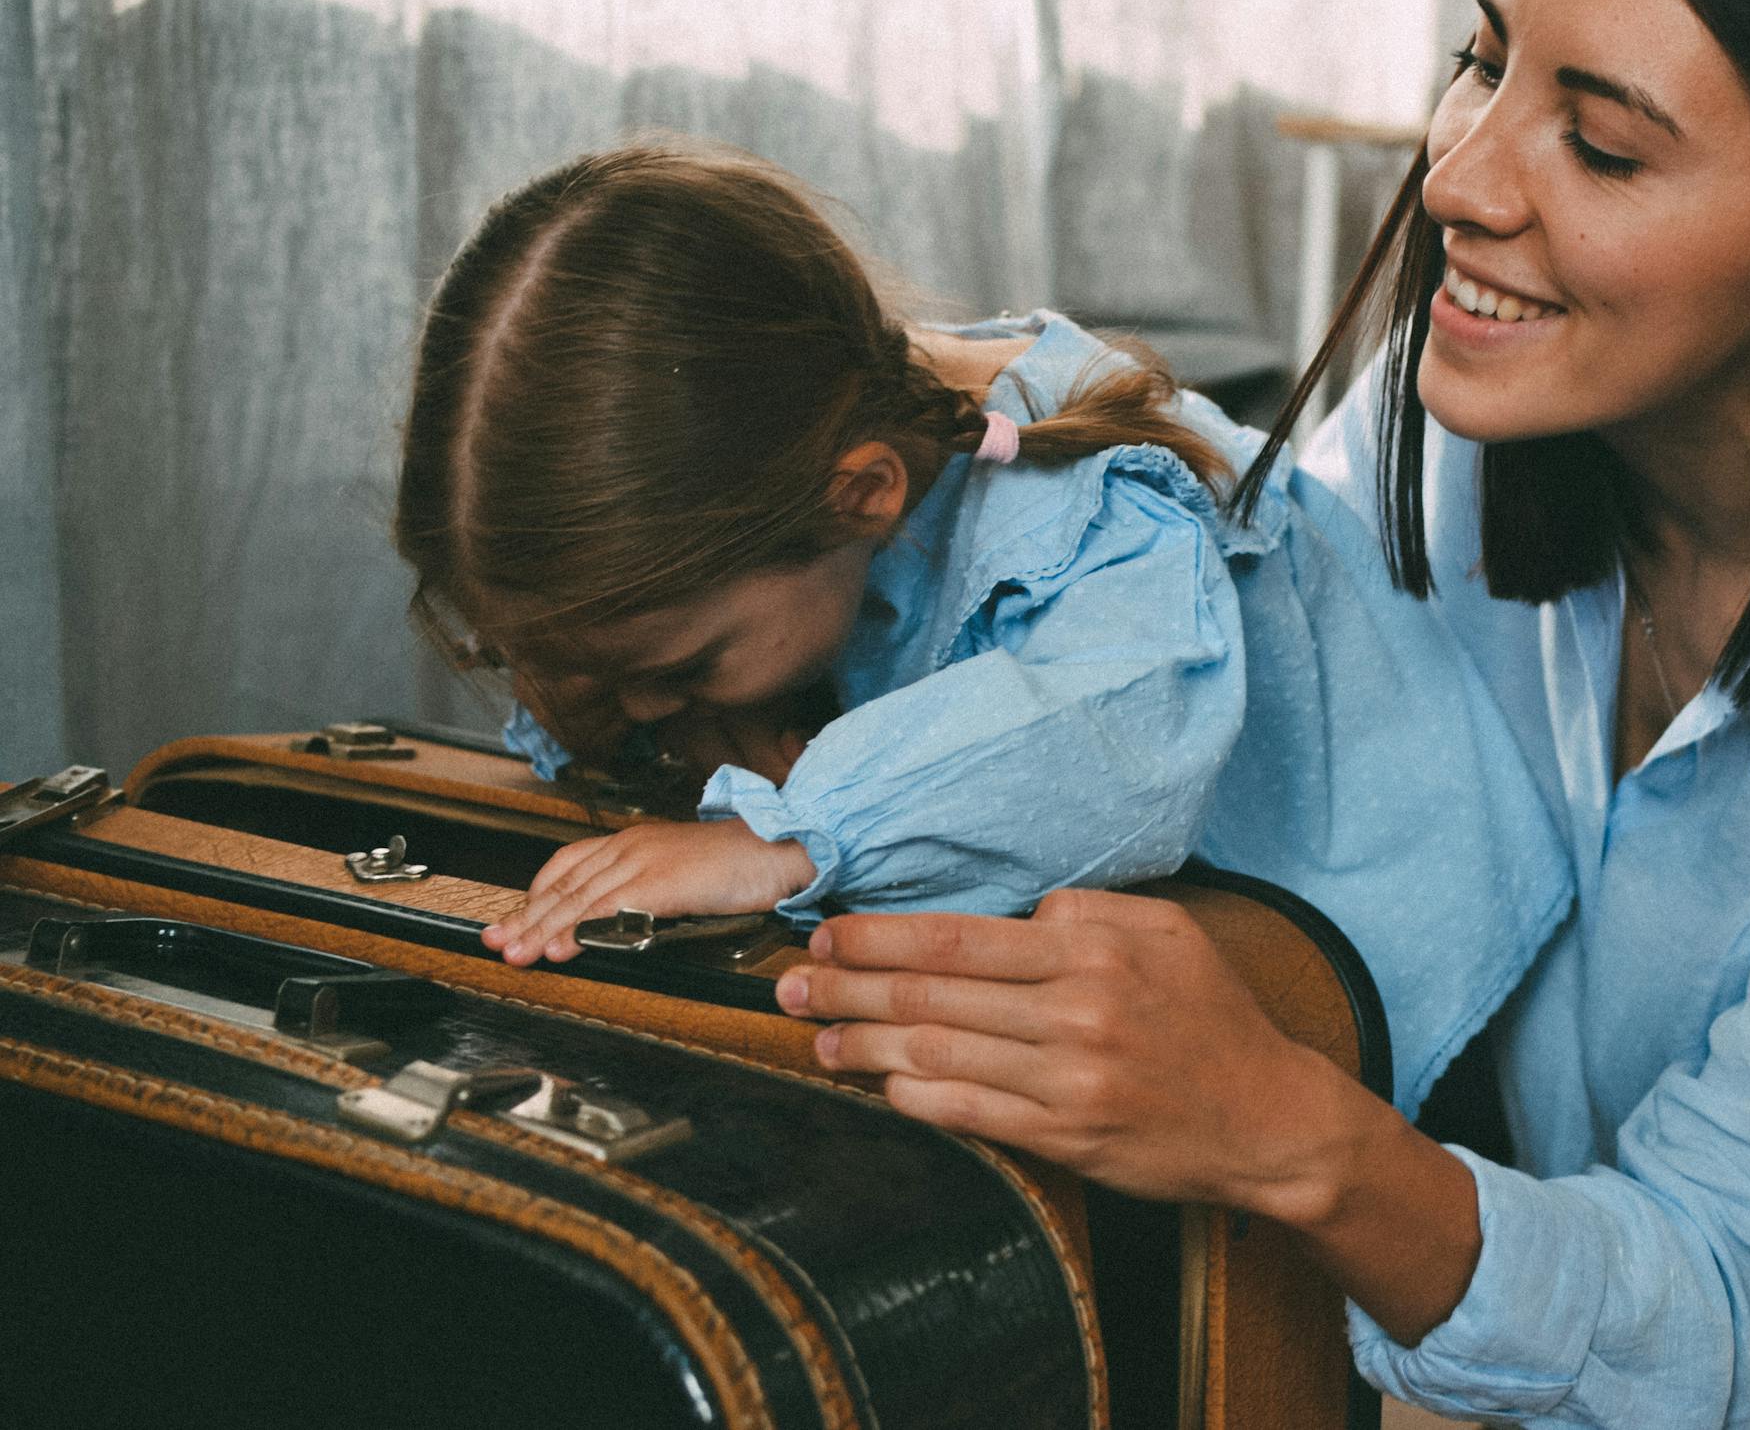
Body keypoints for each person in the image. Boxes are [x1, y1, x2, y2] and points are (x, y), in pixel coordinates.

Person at [767, 0, 1750, 1425]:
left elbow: (1708, 1317)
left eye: (1600, 148)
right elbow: (1220, 640)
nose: (1457, 179)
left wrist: (1286, 1132)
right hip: (1663, 1212)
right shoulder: (1480, 415)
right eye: (1482, 61)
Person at [389, 141, 1572, 1120]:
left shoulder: (1094, 505)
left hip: (1402, 953)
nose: (653, 705)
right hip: (1214, 941)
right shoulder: (827, 457)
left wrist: (788, 841)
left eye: (685, 668)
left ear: (862, 496)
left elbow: (1116, 748)